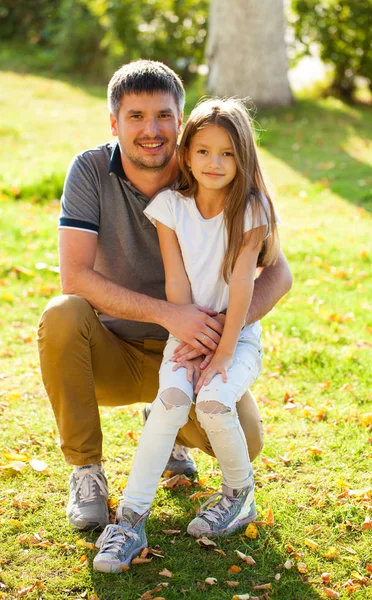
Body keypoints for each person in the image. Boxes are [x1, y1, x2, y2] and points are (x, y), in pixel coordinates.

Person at [37, 60, 292, 533]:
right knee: (62, 315)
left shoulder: (207, 167)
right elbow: (73, 276)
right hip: (117, 350)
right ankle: (87, 470)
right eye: (136, 116)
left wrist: (219, 338)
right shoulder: (90, 170)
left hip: (196, 351)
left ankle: (173, 429)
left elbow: (279, 275)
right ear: (114, 122)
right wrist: (171, 315)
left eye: (163, 116)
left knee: (246, 442)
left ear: (181, 120)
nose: (151, 130)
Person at [93, 97, 281, 573]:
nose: (213, 163)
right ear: (186, 153)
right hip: (187, 327)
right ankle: (131, 519)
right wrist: (189, 337)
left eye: (227, 153)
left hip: (236, 336)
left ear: (244, 158)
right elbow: (176, 281)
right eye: (202, 151)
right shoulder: (170, 207)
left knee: (215, 402)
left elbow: (243, 284)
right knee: (171, 403)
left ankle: (240, 496)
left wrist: (218, 352)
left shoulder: (251, 209)